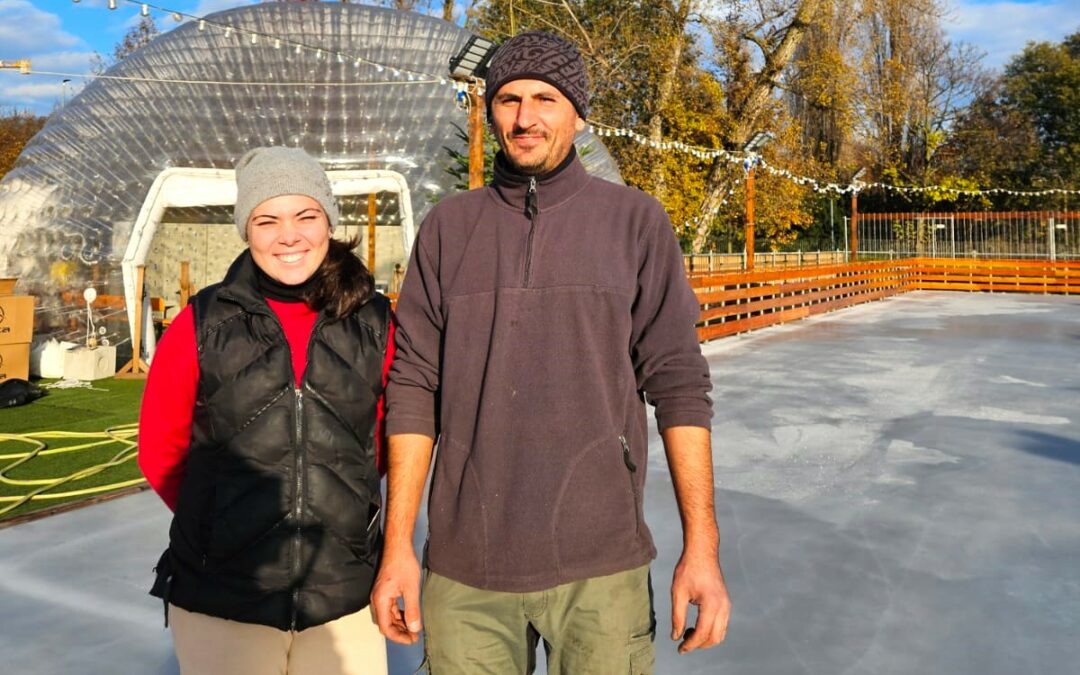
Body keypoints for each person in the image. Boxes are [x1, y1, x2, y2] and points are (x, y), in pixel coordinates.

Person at [372, 30, 730, 673]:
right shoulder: (449, 229)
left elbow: (678, 383)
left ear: (578, 111)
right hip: (467, 570)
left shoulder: (634, 222)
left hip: (602, 566)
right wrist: (399, 545)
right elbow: (412, 387)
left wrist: (701, 547)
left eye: (545, 98)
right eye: (508, 99)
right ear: (490, 109)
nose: (525, 117)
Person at [138, 146, 393, 675]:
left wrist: (343, 512)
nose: (289, 235)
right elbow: (160, 449)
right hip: (225, 595)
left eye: (306, 215)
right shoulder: (202, 321)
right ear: (246, 229)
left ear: (328, 221)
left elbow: (386, 440)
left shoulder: (374, 320)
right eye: (267, 219)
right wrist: (221, 523)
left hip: (342, 593)